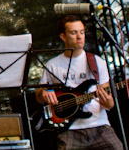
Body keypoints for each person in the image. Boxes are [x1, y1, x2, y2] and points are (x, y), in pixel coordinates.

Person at [36, 15, 122, 149]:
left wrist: (107, 101)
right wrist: (44, 93)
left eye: (82, 32)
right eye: (73, 33)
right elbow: (39, 96)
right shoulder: (52, 65)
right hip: (69, 130)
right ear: (63, 37)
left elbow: (110, 104)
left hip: (99, 126)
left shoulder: (97, 62)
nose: (80, 36)